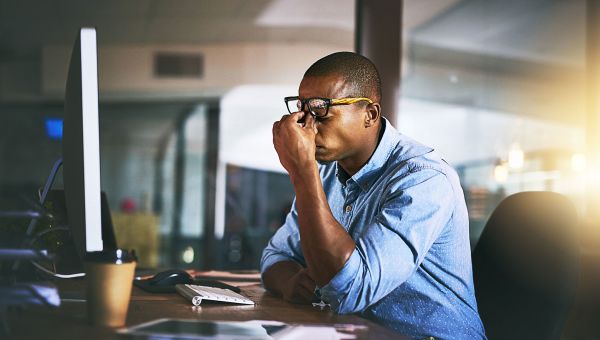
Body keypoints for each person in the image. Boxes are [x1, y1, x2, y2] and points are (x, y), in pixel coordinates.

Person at [261, 51, 485, 339]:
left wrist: (302, 171)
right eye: (302, 109)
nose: (306, 125)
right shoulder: (328, 174)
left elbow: (350, 289)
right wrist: (290, 282)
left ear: (370, 115)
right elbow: (275, 255)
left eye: (320, 110)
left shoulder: (423, 179)